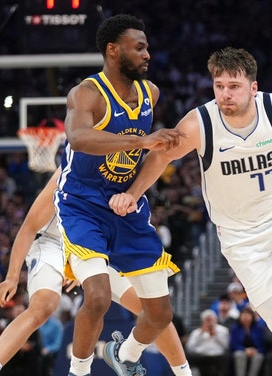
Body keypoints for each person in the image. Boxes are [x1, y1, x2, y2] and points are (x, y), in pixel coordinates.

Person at [109, 47, 272, 375]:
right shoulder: (199, 123)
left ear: (253, 87)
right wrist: (133, 193)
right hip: (239, 234)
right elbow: (161, 157)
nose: (225, 94)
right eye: (219, 86)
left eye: (233, 86)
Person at [56, 14, 182, 376]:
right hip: (82, 205)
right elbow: (79, 139)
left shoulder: (150, 93)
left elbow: (154, 153)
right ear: (113, 50)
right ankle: (78, 372)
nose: (147, 54)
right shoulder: (86, 93)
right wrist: (142, 140)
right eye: (139, 47)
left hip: (126, 206)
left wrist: (133, 190)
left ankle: (123, 355)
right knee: (96, 296)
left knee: (160, 314)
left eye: (147, 47)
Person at [0, 168, 191, 376]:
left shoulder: (123, 168)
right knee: (43, 306)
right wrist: (12, 277)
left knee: (151, 309)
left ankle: (180, 372)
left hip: (95, 245)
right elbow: (30, 226)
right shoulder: (68, 172)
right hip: (55, 243)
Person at [185, 309, 230, 376]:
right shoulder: (196, 332)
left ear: (216, 320)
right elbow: (190, 347)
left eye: (211, 320)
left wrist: (215, 335)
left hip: (218, 356)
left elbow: (226, 346)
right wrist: (201, 334)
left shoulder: (223, 330)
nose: (209, 323)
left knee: (227, 358)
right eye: (207, 320)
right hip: (201, 357)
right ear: (202, 321)